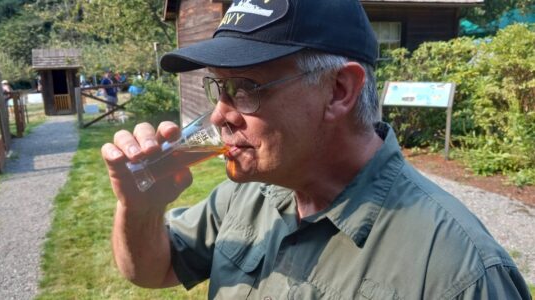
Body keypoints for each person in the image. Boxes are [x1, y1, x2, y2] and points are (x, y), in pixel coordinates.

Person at [101, 0, 531, 299]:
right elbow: (152, 270)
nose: (219, 116)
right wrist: (139, 209)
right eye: (218, 87)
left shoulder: (460, 272)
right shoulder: (246, 196)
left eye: (245, 89)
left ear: (339, 91)